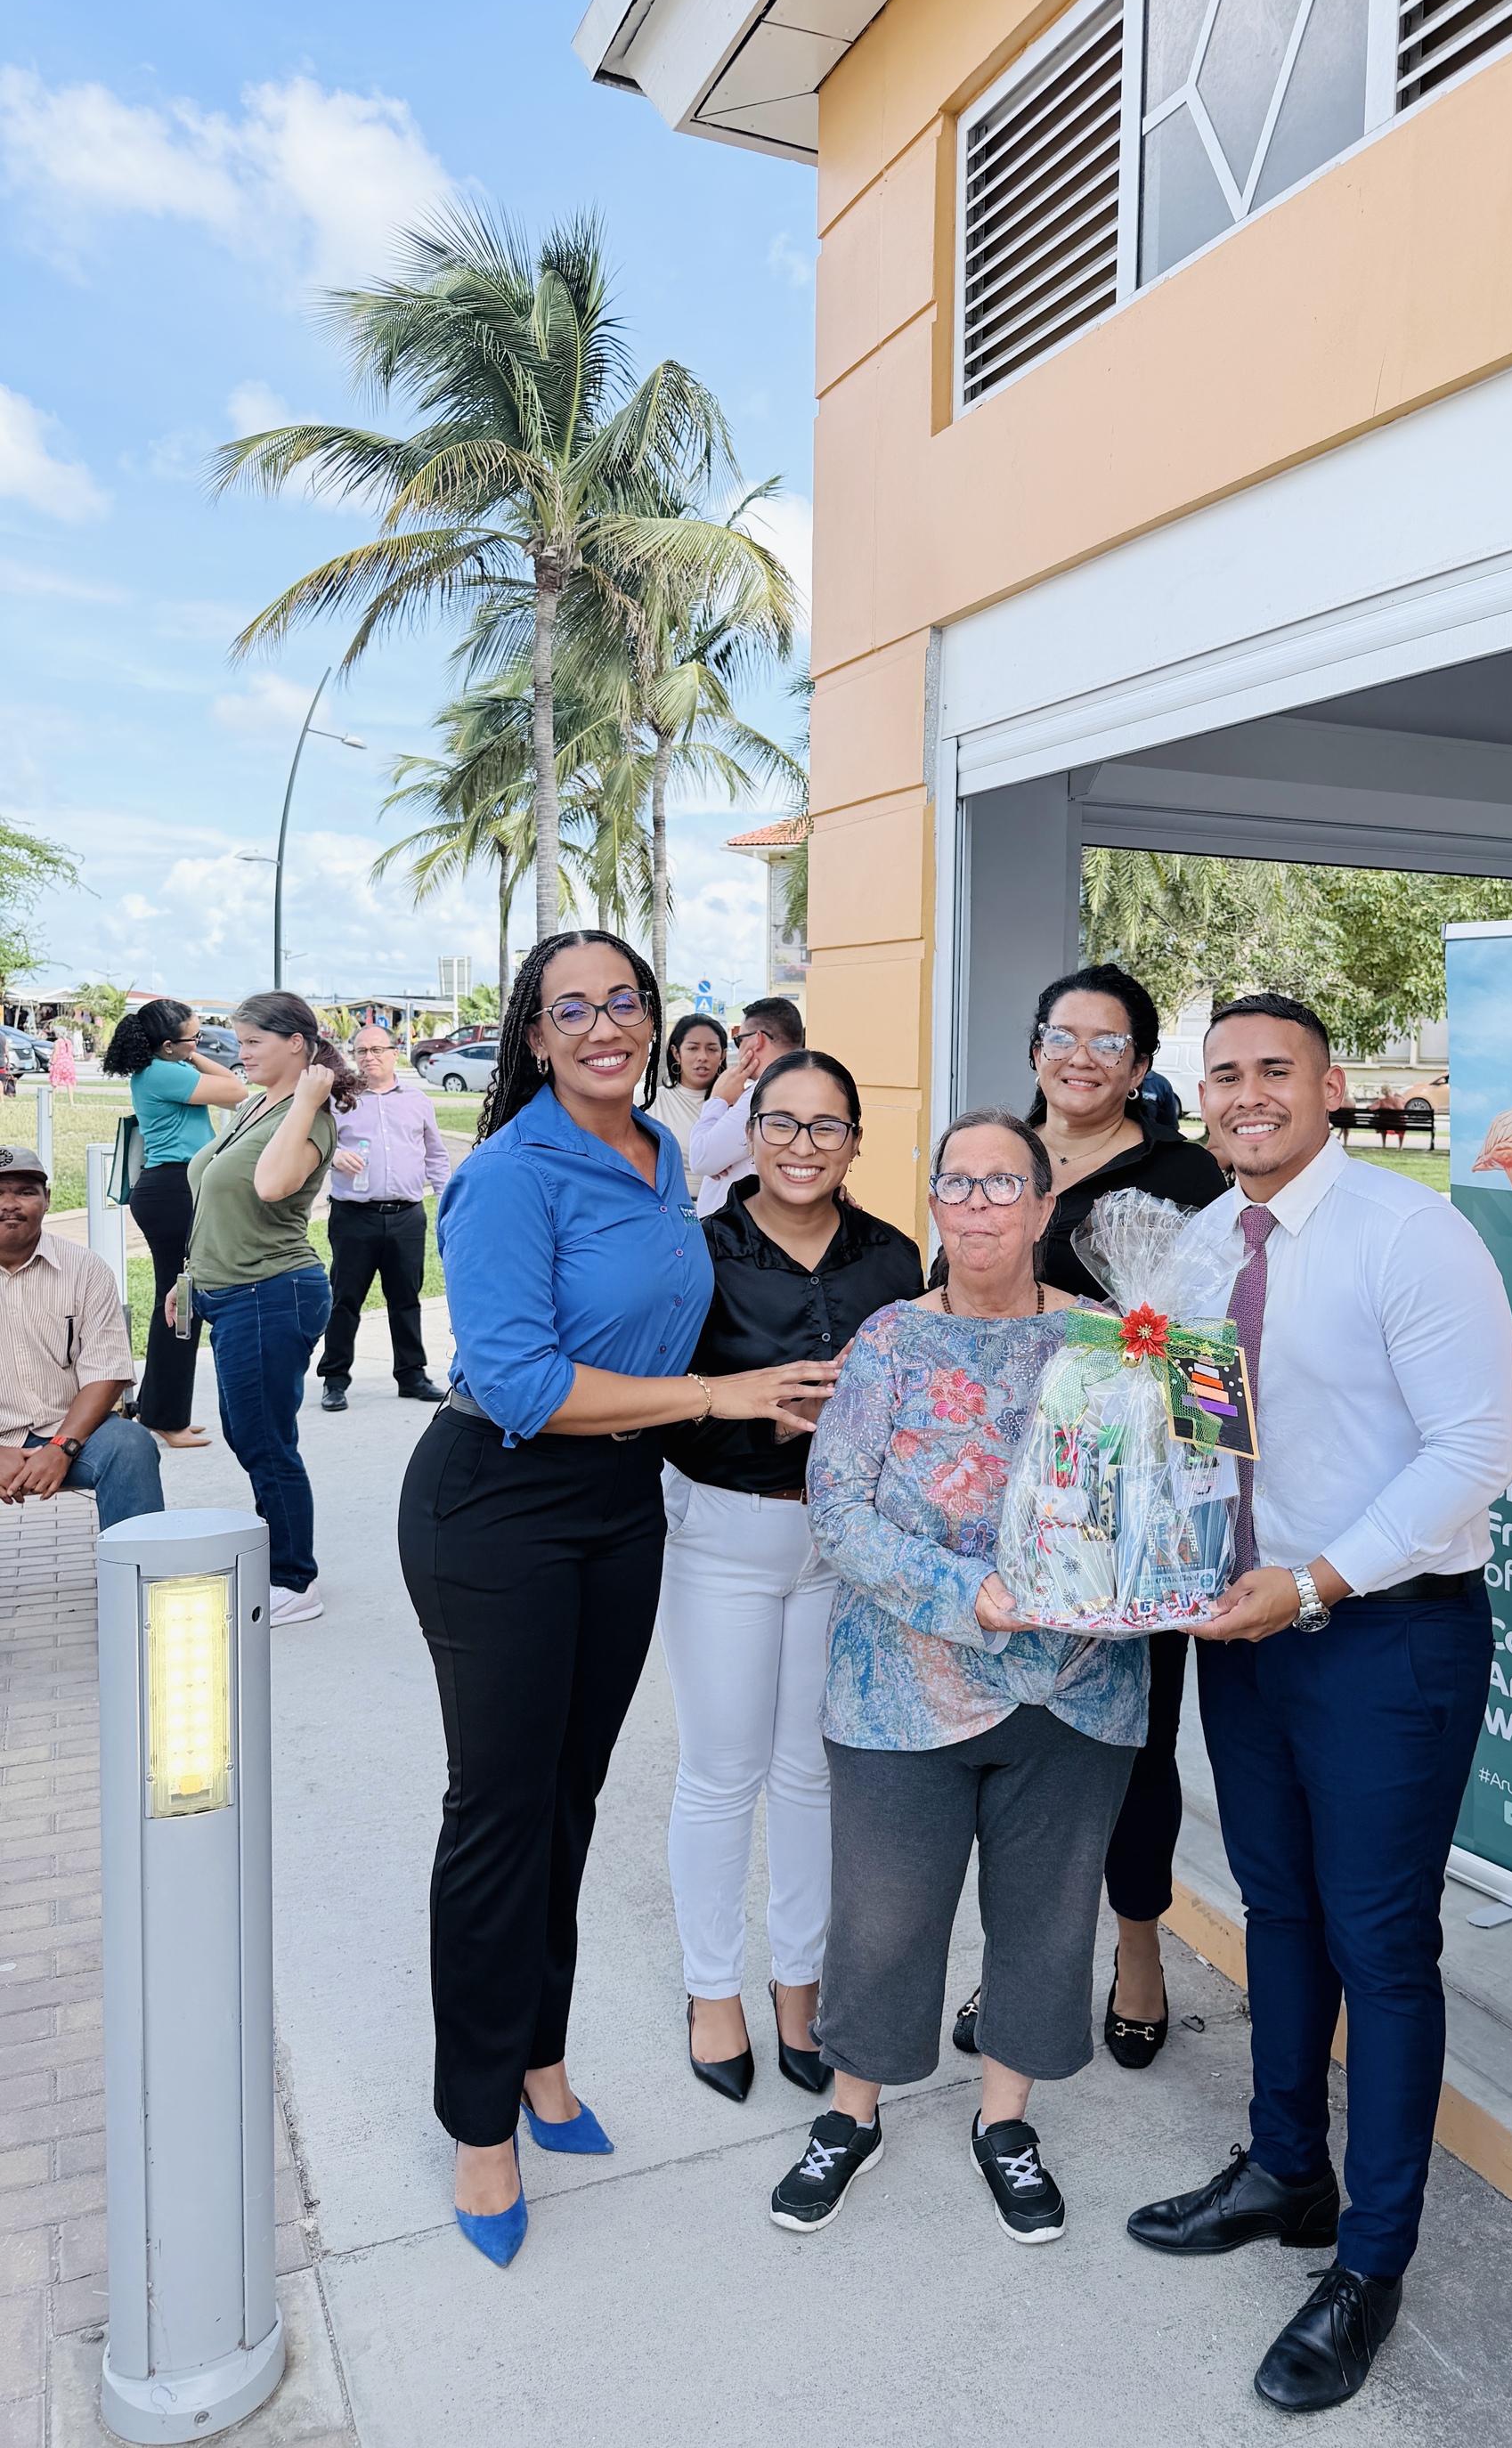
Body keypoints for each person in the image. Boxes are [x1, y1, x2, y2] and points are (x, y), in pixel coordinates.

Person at [395, 931, 840, 2272]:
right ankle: (479, 2122)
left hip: (614, 1509)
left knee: (569, 1801)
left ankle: (539, 2057)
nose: (603, 1024)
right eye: (569, 1007)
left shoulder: (659, 1152)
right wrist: (720, 1398)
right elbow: (524, 1383)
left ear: (653, 1018)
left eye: (624, 1000)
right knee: (497, 1814)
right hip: (498, 1504)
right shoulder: (507, 1176)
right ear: (531, 1035)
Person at [1125, 994, 1512, 2413]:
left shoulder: (1410, 1238)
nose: (1244, 1095)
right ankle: (1287, 2167)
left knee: (1378, 1946)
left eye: (1272, 1071)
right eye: (1221, 1074)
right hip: (1247, 1629)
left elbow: (1476, 1452)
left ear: (1329, 1087)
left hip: (1383, 1637)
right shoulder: (1194, 1239)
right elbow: (1197, 1430)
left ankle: (1369, 2260)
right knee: (1275, 1910)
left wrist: (1318, 1581)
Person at [768, 1110, 1147, 2247]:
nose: (980, 1204)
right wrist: (958, 1592)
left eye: (1004, 1185)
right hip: (903, 1685)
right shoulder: (888, 1340)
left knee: (1045, 1920)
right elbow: (833, 1508)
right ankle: (852, 2113)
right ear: (936, 1205)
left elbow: (1174, 1502)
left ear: (1044, 1207)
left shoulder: (1119, 1342)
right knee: (884, 1919)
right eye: (959, 1185)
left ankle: (1006, 2122)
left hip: (1077, 1689)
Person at [947, 964, 1226, 2072]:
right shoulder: (995, 1155)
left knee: (1136, 1736)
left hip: (1137, 1512)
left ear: (1141, 1067)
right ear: (1034, 1051)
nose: (1080, 1058)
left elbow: (1217, 1345)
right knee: (1009, 1735)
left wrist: (1205, 1490)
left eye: (1108, 1043)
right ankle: (1019, 1964)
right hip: (1006, 1503)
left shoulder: (1189, 1176)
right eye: (1062, 1035)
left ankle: (1139, 1944)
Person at [659, 1048, 923, 2104]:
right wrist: (729, 1396)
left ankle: (799, 1981)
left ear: (856, 1140)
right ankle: (710, 1988)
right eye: (781, 1123)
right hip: (722, 1532)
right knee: (723, 1769)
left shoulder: (896, 1259)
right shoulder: (695, 1250)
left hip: (843, 1548)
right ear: (747, 1133)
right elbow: (652, 1384)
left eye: (827, 1126)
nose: (803, 1146)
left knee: (815, 1771)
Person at [168, 992, 358, 1628]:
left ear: (295, 1045)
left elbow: (272, 1187)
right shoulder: (253, 1106)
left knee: (266, 1440)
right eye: (240, 1041)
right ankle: (282, 1560)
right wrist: (187, 1278)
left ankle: (295, 1580)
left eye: (252, 1043)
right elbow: (213, 1193)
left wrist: (307, 1100)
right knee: (249, 1432)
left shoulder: (312, 1116)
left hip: (271, 1293)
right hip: (229, 1293)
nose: (239, 1053)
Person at [102, 999, 248, 1450]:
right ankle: (167, 1419)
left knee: (176, 1297)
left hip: (171, 1190)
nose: (200, 1044)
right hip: (173, 1191)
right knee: (180, 1302)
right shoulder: (165, 1072)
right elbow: (237, 1090)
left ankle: (155, 1407)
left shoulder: (163, 1068)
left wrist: (187, 1050)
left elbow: (230, 1083)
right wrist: (188, 1054)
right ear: (167, 1045)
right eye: (195, 1038)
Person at [0, 1146, 163, 1531]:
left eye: (25, 1191)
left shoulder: (85, 1270)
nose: (10, 1204)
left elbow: (106, 1373)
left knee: (131, 1446)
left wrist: (62, 1446)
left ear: (47, 1199)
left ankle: (134, 1580)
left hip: (69, 1432)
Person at [317, 1023, 451, 1412]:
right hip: (354, 1216)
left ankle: (411, 1376)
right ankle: (335, 1379)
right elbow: (312, 1148)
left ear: (396, 1053)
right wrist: (332, 1157)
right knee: (345, 1299)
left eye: (377, 1050)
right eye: (361, 1051)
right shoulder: (339, 1100)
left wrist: (446, 1207)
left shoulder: (417, 1100)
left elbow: (438, 1157)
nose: (369, 1057)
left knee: (406, 1299)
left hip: (407, 1216)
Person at [687, 995, 803, 1213]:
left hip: (735, 1235)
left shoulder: (765, 1091)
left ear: (756, 1039)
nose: (739, 1049)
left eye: (739, 1040)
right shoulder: (807, 1083)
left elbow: (702, 1158)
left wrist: (717, 1099)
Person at [647, 1013, 728, 1151]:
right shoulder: (649, 1101)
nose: (703, 1057)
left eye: (712, 1049)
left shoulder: (737, 1105)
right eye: (692, 1048)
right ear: (676, 1053)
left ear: (722, 1055)